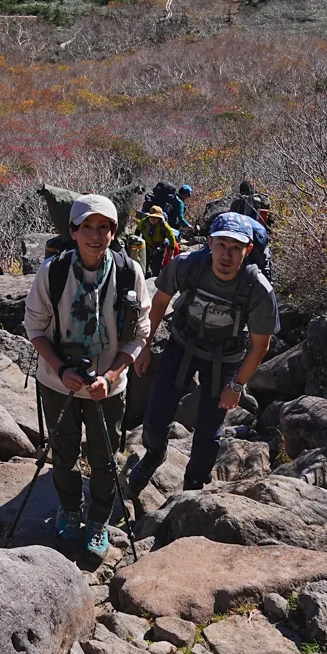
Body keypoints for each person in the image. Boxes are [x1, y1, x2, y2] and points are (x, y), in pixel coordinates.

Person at [25, 193, 149, 557]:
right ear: (73, 231)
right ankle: (69, 509)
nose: (96, 235)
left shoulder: (129, 272)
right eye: (87, 227)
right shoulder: (54, 272)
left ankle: (97, 520)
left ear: (114, 232)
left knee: (105, 457)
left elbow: (141, 332)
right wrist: (61, 369)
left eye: (104, 227)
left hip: (107, 388)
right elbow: (34, 327)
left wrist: (111, 376)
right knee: (62, 455)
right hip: (56, 383)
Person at [127, 211, 279, 495]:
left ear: (247, 251)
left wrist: (236, 386)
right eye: (221, 244)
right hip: (182, 344)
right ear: (209, 243)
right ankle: (154, 454)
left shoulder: (256, 288)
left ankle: (194, 485)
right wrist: (144, 346)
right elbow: (158, 303)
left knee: (209, 432)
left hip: (226, 359)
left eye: (236, 248)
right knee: (156, 414)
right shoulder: (187, 265)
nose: (227, 255)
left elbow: (261, 345)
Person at [137, 204, 177, 278]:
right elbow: (137, 231)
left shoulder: (164, 226)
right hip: (146, 246)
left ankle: (155, 280)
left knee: (156, 267)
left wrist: (171, 254)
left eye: (156, 217)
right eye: (151, 217)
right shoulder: (144, 222)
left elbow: (172, 239)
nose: (153, 219)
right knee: (144, 264)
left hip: (159, 248)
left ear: (160, 218)